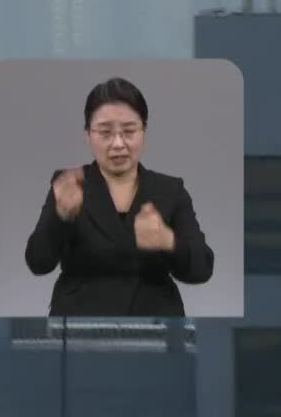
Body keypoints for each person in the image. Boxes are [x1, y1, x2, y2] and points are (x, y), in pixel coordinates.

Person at [24, 77, 214, 317]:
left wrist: (168, 241)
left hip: (156, 326)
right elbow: (38, 263)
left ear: (144, 131)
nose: (118, 144)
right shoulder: (69, 183)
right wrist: (60, 217)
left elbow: (202, 268)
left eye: (129, 131)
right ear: (88, 135)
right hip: (80, 326)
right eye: (105, 132)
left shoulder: (170, 189)